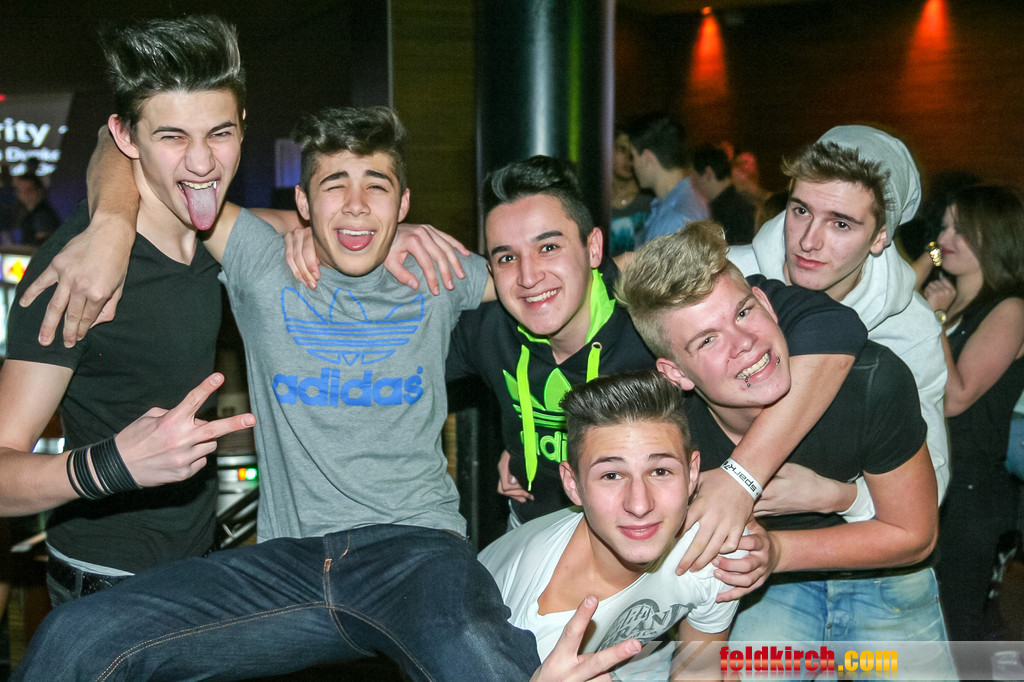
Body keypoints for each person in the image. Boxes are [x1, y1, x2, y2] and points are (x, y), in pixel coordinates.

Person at [12, 106, 636, 681]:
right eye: (335, 186)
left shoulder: (437, 273)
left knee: (474, 650)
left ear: (404, 203)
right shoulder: (260, 260)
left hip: (416, 551)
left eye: (377, 188)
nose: (357, 207)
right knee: (77, 636)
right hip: (289, 566)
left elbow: (549, 283)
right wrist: (109, 225)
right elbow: (130, 152)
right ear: (303, 203)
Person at [447, 156, 863, 582]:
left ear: (593, 247)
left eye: (548, 247)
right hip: (534, 534)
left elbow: (834, 325)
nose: (529, 275)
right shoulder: (487, 328)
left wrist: (742, 477)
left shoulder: (647, 312)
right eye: (506, 258)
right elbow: (410, 354)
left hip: (651, 543)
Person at [618, 222, 956, 678]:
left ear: (766, 303)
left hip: (885, 576)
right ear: (676, 373)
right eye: (708, 339)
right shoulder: (668, 439)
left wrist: (776, 550)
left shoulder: (872, 380)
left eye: (743, 313)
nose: (744, 343)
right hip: (769, 591)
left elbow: (915, 535)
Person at [0, 15, 258, 606]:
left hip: (199, 574)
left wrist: (405, 233)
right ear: (127, 137)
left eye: (220, 133)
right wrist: (113, 465)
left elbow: (320, 230)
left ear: (243, 124)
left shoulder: (217, 235)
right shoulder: (78, 274)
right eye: (172, 137)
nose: (202, 163)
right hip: (106, 590)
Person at [728, 125, 951, 530]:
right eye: (801, 211)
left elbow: (930, 484)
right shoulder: (726, 277)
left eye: (841, 224)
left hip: (850, 546)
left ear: (880, 237)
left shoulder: (910, 328)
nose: (808, 241)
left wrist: (836, 496)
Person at [480, 371, 736, 679]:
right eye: (611, 475)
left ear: (692, 473)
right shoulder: (529, 628)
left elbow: (698, 671)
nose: (639, 505)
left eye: (660, 471)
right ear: (572, 484)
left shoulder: (714, 551)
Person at [920, 183, 1024, 641]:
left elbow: (957, 397)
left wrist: (935, 319)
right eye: (944, 226)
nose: (945, 238)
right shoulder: (946, 297)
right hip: (934, 477)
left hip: (971, 488)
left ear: (994, 237)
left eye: (960, 230)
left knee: (958, 630)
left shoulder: (1010, 309)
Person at [625, 114, 708, 246]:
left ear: (647, 157)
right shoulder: (676, 203)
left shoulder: (675, 218)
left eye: (632, 156)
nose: (632, 164)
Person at [691, 143, 755, 245]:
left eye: (695, 177)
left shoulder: (727, 212)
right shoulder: (740, 205)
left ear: (708, 173)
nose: (693, 184)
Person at [608, 126, 652, 257]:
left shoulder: (650, 200)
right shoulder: (596, 200)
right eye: (622, 149)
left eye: (633, 152)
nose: (629, 158)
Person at [12, 174, 60, 245]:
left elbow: (42, 244)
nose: (24, 194)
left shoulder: (43, 214)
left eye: (28, 190)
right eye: (20, 190)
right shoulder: (25, 212)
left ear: (39, 191)